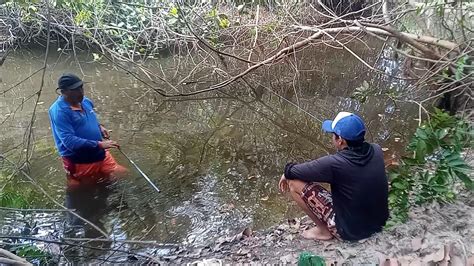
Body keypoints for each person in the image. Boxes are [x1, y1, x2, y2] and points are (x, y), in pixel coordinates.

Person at [279, 111, 389, 241]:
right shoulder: (376, 149)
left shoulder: (334, 164)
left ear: (340, 140)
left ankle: (323, 231)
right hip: (379, 224)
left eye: (333, 135)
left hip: (351, 232)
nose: (332, 138)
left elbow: (294, 171)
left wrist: (286, 173)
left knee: (294, 182)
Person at [49, 73, 126, 188]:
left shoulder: (85, 101)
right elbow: (69, 142)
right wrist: (100, 144)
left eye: (81, 87)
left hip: (99, 153)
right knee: (88, 189)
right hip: (80, 161)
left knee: (122, 174)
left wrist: (100, 127)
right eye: (75, 89)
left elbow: (90, 118)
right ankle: (73, 181)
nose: (81, 92)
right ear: (63, 91)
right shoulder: (59, 111)